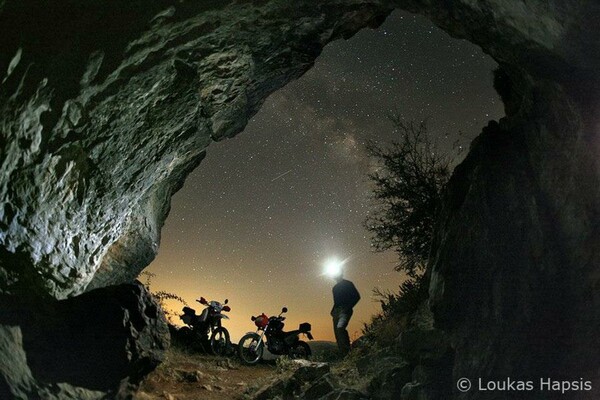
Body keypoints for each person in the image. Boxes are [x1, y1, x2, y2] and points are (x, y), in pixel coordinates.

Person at [330, 271, 360, 356]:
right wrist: (332, 311)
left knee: (340, 329)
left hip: (345, 311)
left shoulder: (348, 284)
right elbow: (336, 301)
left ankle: (348, 353)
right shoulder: (335, 288)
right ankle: (343, 355)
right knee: (337, 333)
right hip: (336, 311)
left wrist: (348, 307)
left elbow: (356, 297)